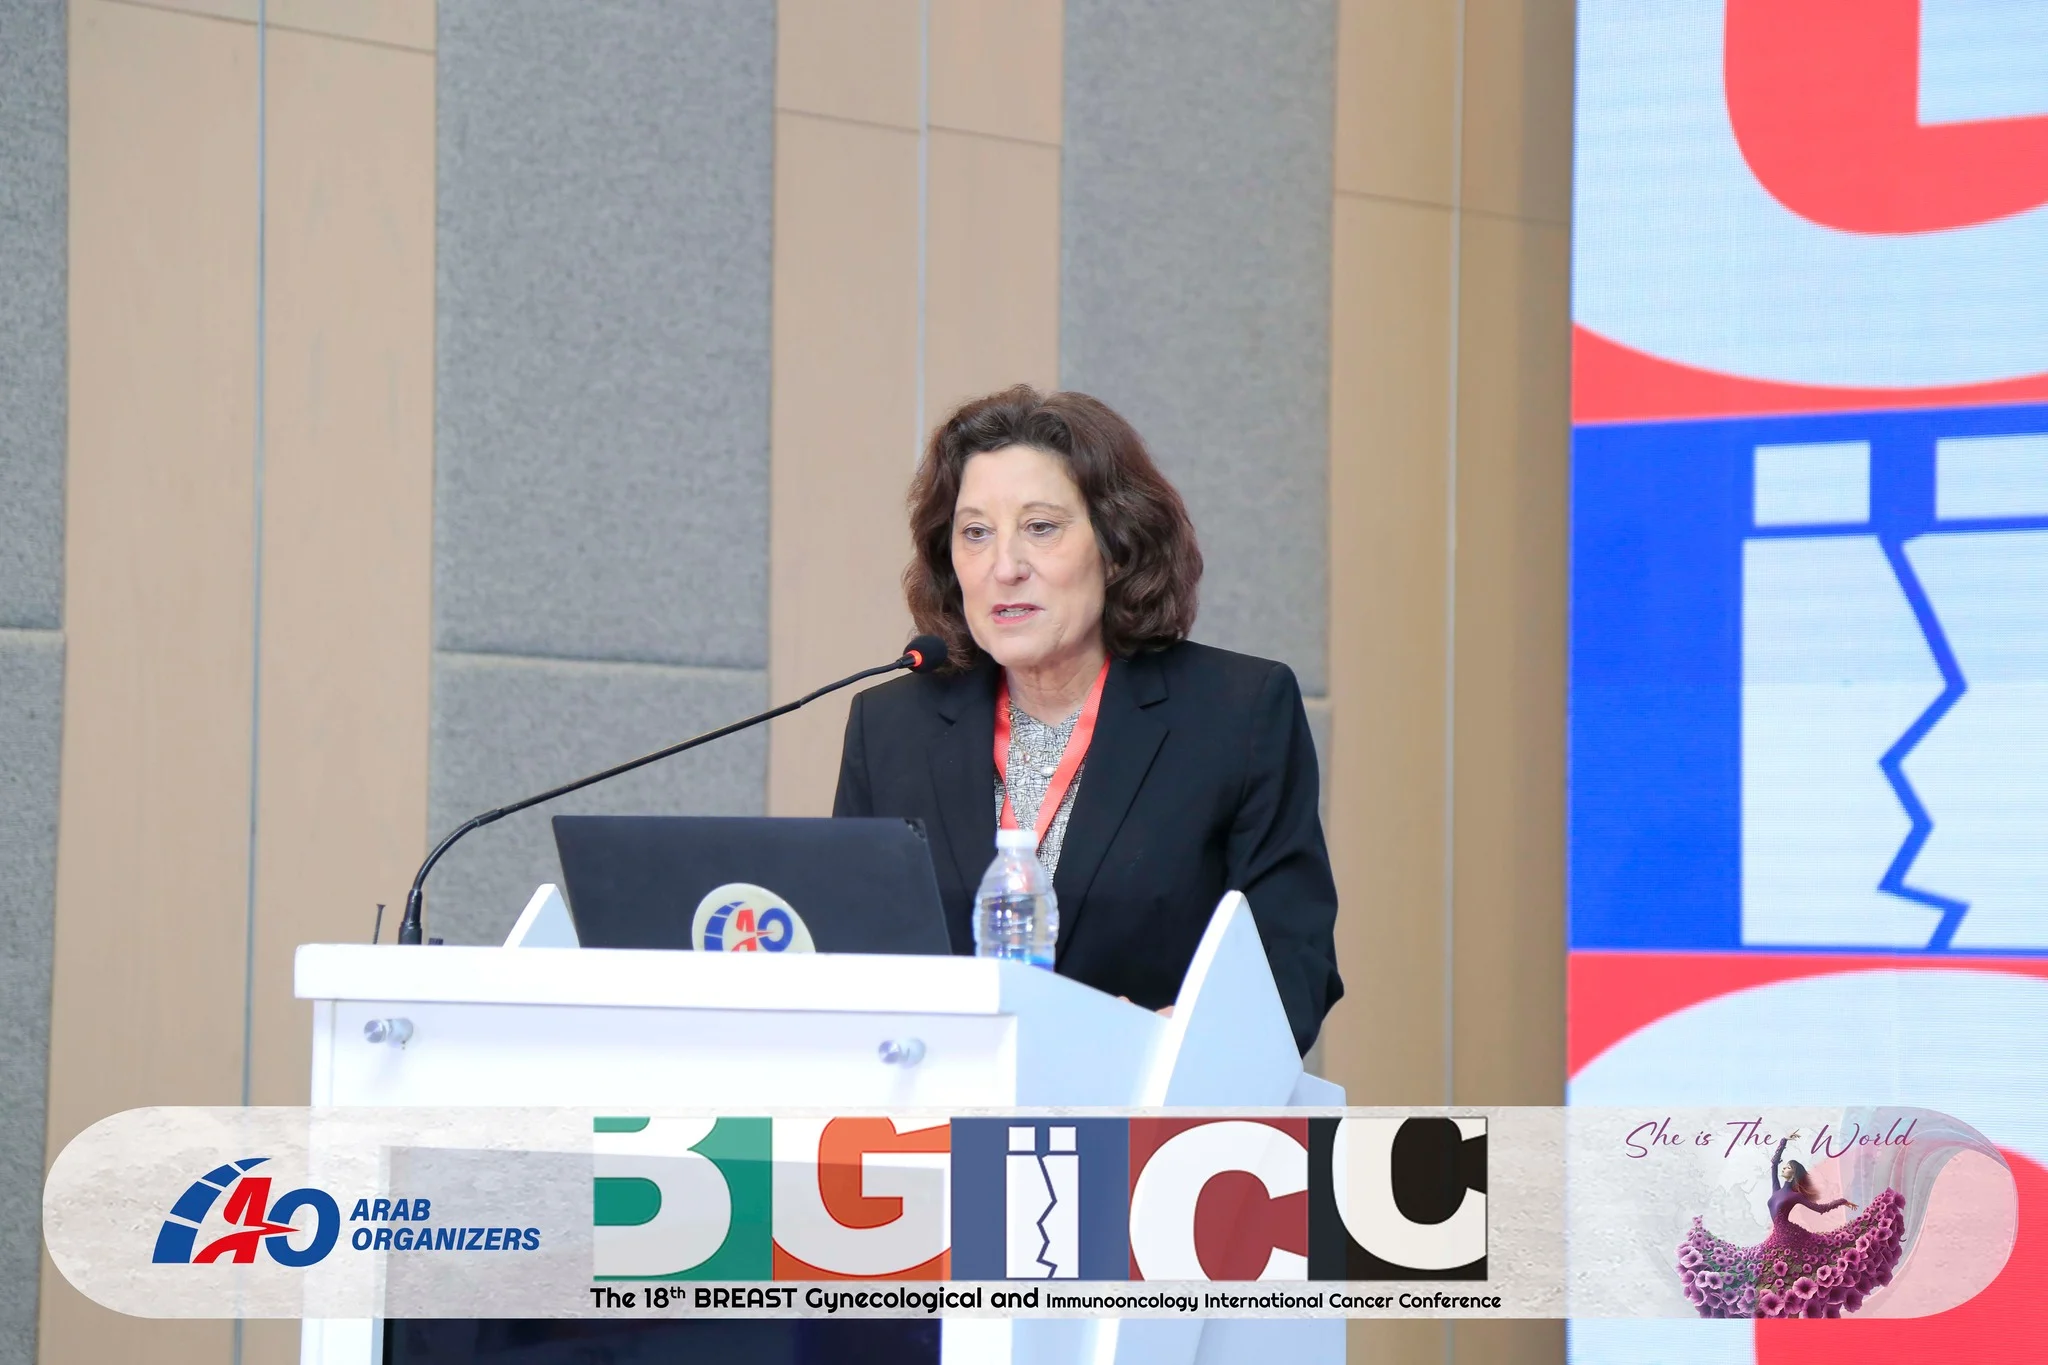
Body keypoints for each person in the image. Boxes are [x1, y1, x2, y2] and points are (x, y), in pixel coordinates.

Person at [833, 384, 1342, 1054]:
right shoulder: (890, 727)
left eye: (1041, 528)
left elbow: (1292, 961)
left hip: (1146, 1108)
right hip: (943, 1104)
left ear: (1116, 545)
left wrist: (1178, 1039)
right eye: (976, 533)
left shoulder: (1237, 713)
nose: (1005, 567)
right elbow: (848, 956)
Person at [1674, 1129, 1906, 1319]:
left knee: (1804, 1273)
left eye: (1788, 1168)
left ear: (1793, 1173)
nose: (1784, 1169)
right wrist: (1784, 1141)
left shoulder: (1794, 1196)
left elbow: (1820, 1209)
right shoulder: (1776, 1188)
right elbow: (1774, 1163)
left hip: (1794, 1240)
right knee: (1762, 1276)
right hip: (1776, 1240)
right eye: (1785, 1167)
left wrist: (1842, 1202)